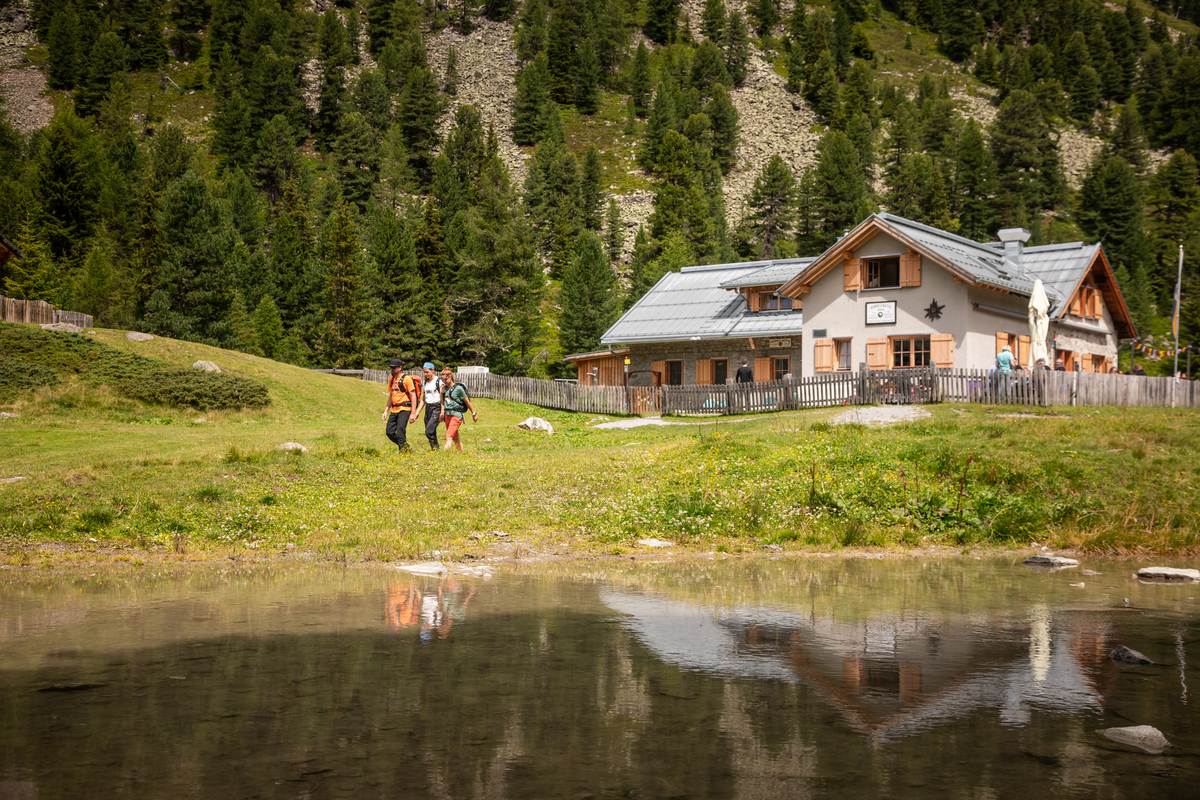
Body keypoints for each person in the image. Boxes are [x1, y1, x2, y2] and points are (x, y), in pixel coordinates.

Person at [382, 358, 420, 453]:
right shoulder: (391, 380)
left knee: (400, 432)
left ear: (400, 368)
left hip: (405, 409)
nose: (392, 369)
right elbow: (391, 396)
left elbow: (413, 396)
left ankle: (404, 452)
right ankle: (406, 448)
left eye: (394, 367)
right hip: (394, 410)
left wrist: (413, 413)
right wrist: (386, 410)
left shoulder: (407, 379)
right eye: (391, 367)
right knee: (389, 432)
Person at [439, 368, 477, 452]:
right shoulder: (444, 388)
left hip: (456, 415)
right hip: (447, 415)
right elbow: (443, 402)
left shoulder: (459, 389)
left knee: (448, 436)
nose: (443, 382)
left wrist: (474, 413)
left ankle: (444, 455)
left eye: (445, 379)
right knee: (455, 438)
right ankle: (461, 454)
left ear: (450, 377)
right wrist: (441, 395)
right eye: (442, 380)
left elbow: (467, 401)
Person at [415, 361, 443, 451]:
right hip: (428, 408)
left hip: (436, 408)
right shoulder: (426, 382)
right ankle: (435, 450)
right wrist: (417, 412)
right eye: (424, 372)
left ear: (432, 370)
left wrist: (442, 411)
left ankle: (436, 449)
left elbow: (443, 398)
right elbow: (423, 399)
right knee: (431, 431)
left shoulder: (439, 381)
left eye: (427, 372)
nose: (425, 374)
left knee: (429, 431)